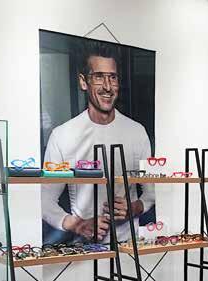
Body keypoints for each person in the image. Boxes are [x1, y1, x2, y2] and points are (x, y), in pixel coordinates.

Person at [41, 42, 154, 243]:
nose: (108, 87)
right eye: (99, 77)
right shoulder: (62, 136)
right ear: (83, 82)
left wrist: (134, 207)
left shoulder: (137, 132)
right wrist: (77, 224)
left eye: (113, 77)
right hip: (83, 248)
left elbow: (151, 192)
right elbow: (44, 200)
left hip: (130, 247)